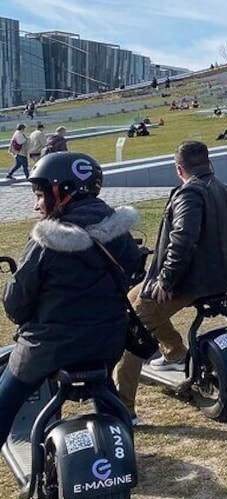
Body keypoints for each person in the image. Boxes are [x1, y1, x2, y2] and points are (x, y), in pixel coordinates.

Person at [0, 152, 143, 450]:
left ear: (61, 191)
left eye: (40, 195)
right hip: (107, 341)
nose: (37, 204)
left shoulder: (45, 241)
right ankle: (123, 444)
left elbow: (15, 306)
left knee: (5, 399)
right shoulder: (121, 234)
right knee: (104, 387)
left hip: (49, 347)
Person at [112, 141, 227, 422]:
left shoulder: (189, 193)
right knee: (132, 298)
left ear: (178, 169)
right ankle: (174, 351)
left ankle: (122, 408)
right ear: (208, 163)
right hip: (221, 276)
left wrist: (167, 279)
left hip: (191, 281)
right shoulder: (226, 189)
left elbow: (183, 239)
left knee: (132, 326)